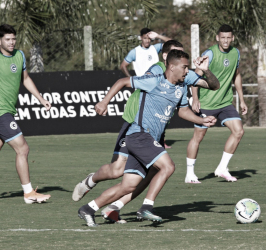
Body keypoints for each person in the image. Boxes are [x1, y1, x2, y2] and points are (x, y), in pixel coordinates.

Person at [72, 40, 220, 223]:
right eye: (185, 67)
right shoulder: (154, 79)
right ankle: (146, 207)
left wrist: (202, 119)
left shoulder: (182, 85)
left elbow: (206, 92)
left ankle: (88, 209)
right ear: (171, 66)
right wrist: (104, 102)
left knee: (129, 185)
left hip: (149, 139)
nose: (187, 71)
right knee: (168, 166)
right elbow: (122, 81)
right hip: (139, 135)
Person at [0, 24, 51, 204]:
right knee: (23, 148)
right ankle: (28, 193)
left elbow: (25, 79)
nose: (12, 42)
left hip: (6, 112)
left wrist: (41, 99)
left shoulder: (19, 55)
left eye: (13, 39)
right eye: (7, 39)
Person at [186, 24, 247, 183]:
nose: (226, 41)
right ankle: (190, 173)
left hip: (225, 102)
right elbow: (194, 77)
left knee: (238, 131)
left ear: (232, 38)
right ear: (217, 38)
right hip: (207, 103)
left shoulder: (236, 53)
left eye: (229, 38)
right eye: (223, 38)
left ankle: (222, 168)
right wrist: (196, 99)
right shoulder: (210, 54)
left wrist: (241, 98)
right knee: (198, 137)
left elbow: (236, 75)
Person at [120, 28, 172, 147]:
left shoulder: (156, 48)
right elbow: (123, 65)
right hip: (143, 87)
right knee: (138, 114)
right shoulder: (135, 52)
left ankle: (160, 142)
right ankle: (128, 139)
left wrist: (158, 35)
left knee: (160, 114)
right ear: (140, 38)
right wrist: (132, 79)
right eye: (145, 38)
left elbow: (172, 44)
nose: (147, 40)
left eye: (149, 38)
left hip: (158, 87)